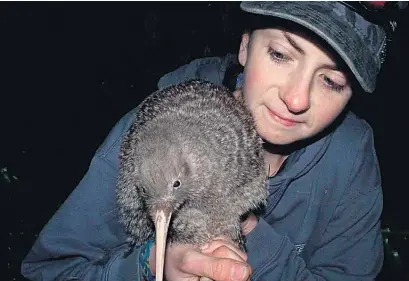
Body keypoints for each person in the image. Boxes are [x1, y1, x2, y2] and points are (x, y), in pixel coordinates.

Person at [21, 1, 407, 281]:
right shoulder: (157, 135)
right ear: (244, 46)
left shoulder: (349, 154)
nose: (296, 99)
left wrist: (249, 231)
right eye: (280, 54)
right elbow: (49, 270)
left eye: (331, 80)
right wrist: (150, 267)